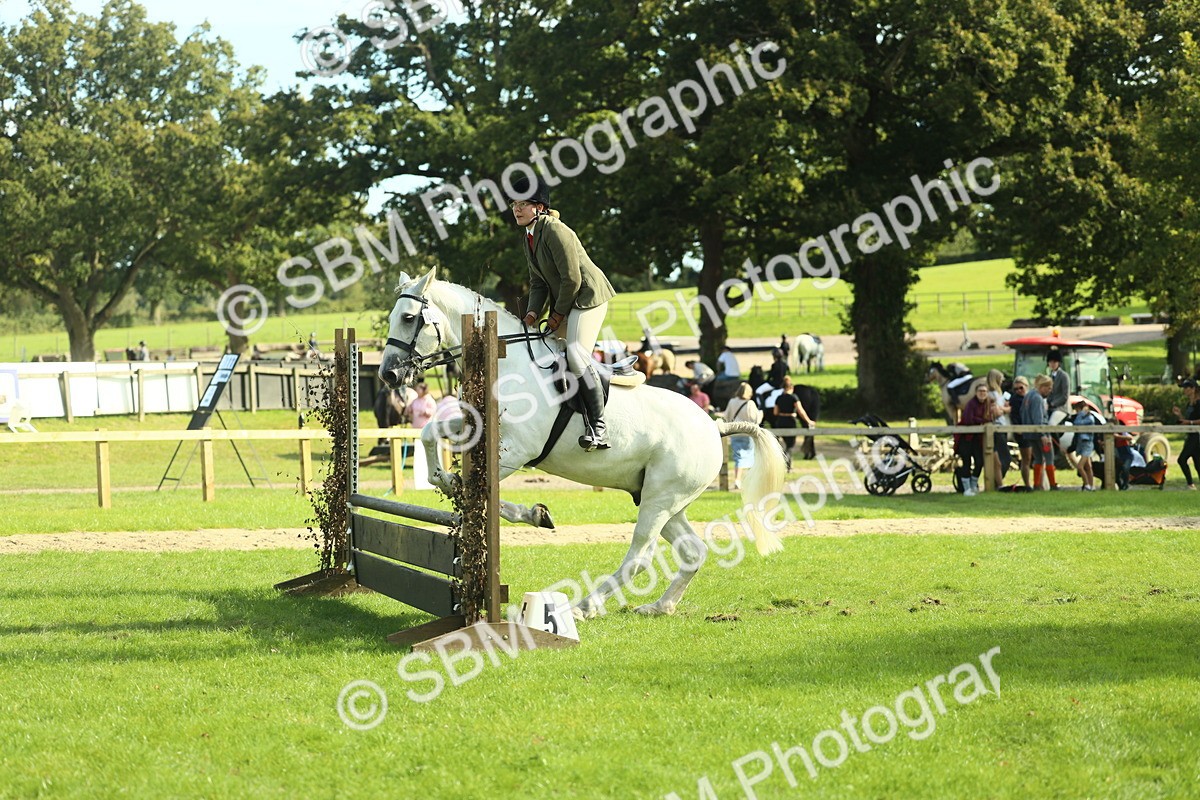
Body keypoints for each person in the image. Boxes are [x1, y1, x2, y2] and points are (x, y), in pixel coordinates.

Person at [509, 176, 616, 450]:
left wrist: (555, 315)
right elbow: (538, 283)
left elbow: (571, 280)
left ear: (540, 207)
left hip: (588, 297)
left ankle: (600, 427)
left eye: (523, 204)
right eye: (513, 204)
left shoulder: (556, 231)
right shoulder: (529, 236)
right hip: (568, 300)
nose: (516, 209)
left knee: (577, 357)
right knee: (547, 350)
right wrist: (532, 314)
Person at [955, 379, 992, 496]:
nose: (982, 393)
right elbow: (969, 420)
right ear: (976, 393)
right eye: (980, 391)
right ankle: (966, 489)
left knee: (979, 462)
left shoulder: (987, 404)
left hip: (977, 438)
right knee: (966, 462)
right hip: (966, 438)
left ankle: (973, 484)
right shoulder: (971, 404)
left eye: (985, 391)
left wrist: (983, 422)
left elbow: (990, 418)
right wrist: (982, 421)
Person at [723, 382, 762, 490]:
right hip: (747, 432)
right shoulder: (750, 403)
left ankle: (737, 479)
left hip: (735, 431)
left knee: (738, 456)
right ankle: (750, 480)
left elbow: (726, 416)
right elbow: (756, 419)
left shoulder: (732, 401)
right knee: (750, 455)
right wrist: (761, 414)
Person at [1024, 374, 1057, 490]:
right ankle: (1053, 485)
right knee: (1049, 458)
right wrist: (1044, 435)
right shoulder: (1037, 398)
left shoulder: (1028, 396)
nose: (1050, 391)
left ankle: (1037, 485)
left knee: (1038, 458)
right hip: (1040, 433)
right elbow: (1038, 418)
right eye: (1049, 388)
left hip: (1030, 434)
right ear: (1042, 387)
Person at [771, 376, 814, 459]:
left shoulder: (779, 398)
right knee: (790, 444)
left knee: (785, 442)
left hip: (781, 420)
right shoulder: (794, 397)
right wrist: (808, 421)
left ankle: (786, 460)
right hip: (790, 420)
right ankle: (787, 461)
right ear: (792, 387)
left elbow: (775, 412)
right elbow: (800, 411)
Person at [1171, 379, 1200, 489]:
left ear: (1193, 389)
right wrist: (1179, 415)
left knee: (1182, 459)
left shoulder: (1199, 403)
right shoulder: (1189, 404)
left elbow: (1192, 421)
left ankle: (1190, 484)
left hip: (1197, 435)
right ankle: (1191, 484)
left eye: (1186, 388)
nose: (1184, 390)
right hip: (1190, 435)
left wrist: (1190, 422)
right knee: (1197, 462)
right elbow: (1187, 420)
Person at [987, 369, 1012, 480]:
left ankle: (997, 481)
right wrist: (1004, 409)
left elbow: (1005, 409)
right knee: (1005, 458)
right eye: (1000, 379)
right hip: (997, 428)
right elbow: (996, 413)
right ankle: (997, 481)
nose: (1002, 382)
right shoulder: (992, 395)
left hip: (1002, 427)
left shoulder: (999, 394)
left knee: (1001, 458)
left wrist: (1003, 408)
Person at [1071, 397, 1097, 491]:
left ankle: (1087, 485)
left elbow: (1077, 423)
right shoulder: (1083, 416)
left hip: (1087, 444)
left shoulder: (1089, 418)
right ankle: (1091, 485)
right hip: (1082, 444)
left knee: (1080, 466)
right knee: (1088, 466)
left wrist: (1081, 413)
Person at [1010, 376, 1030, 488]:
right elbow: (1014, 417)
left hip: (1031, 430)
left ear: (1026, 387)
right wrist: (1019, 429)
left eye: (1020, 388)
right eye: (1016, 389)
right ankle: (1027, 484)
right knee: (1026, 459)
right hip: (1022, 432)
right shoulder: (1015, 400)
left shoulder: (1029, 397)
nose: (1018, 391)